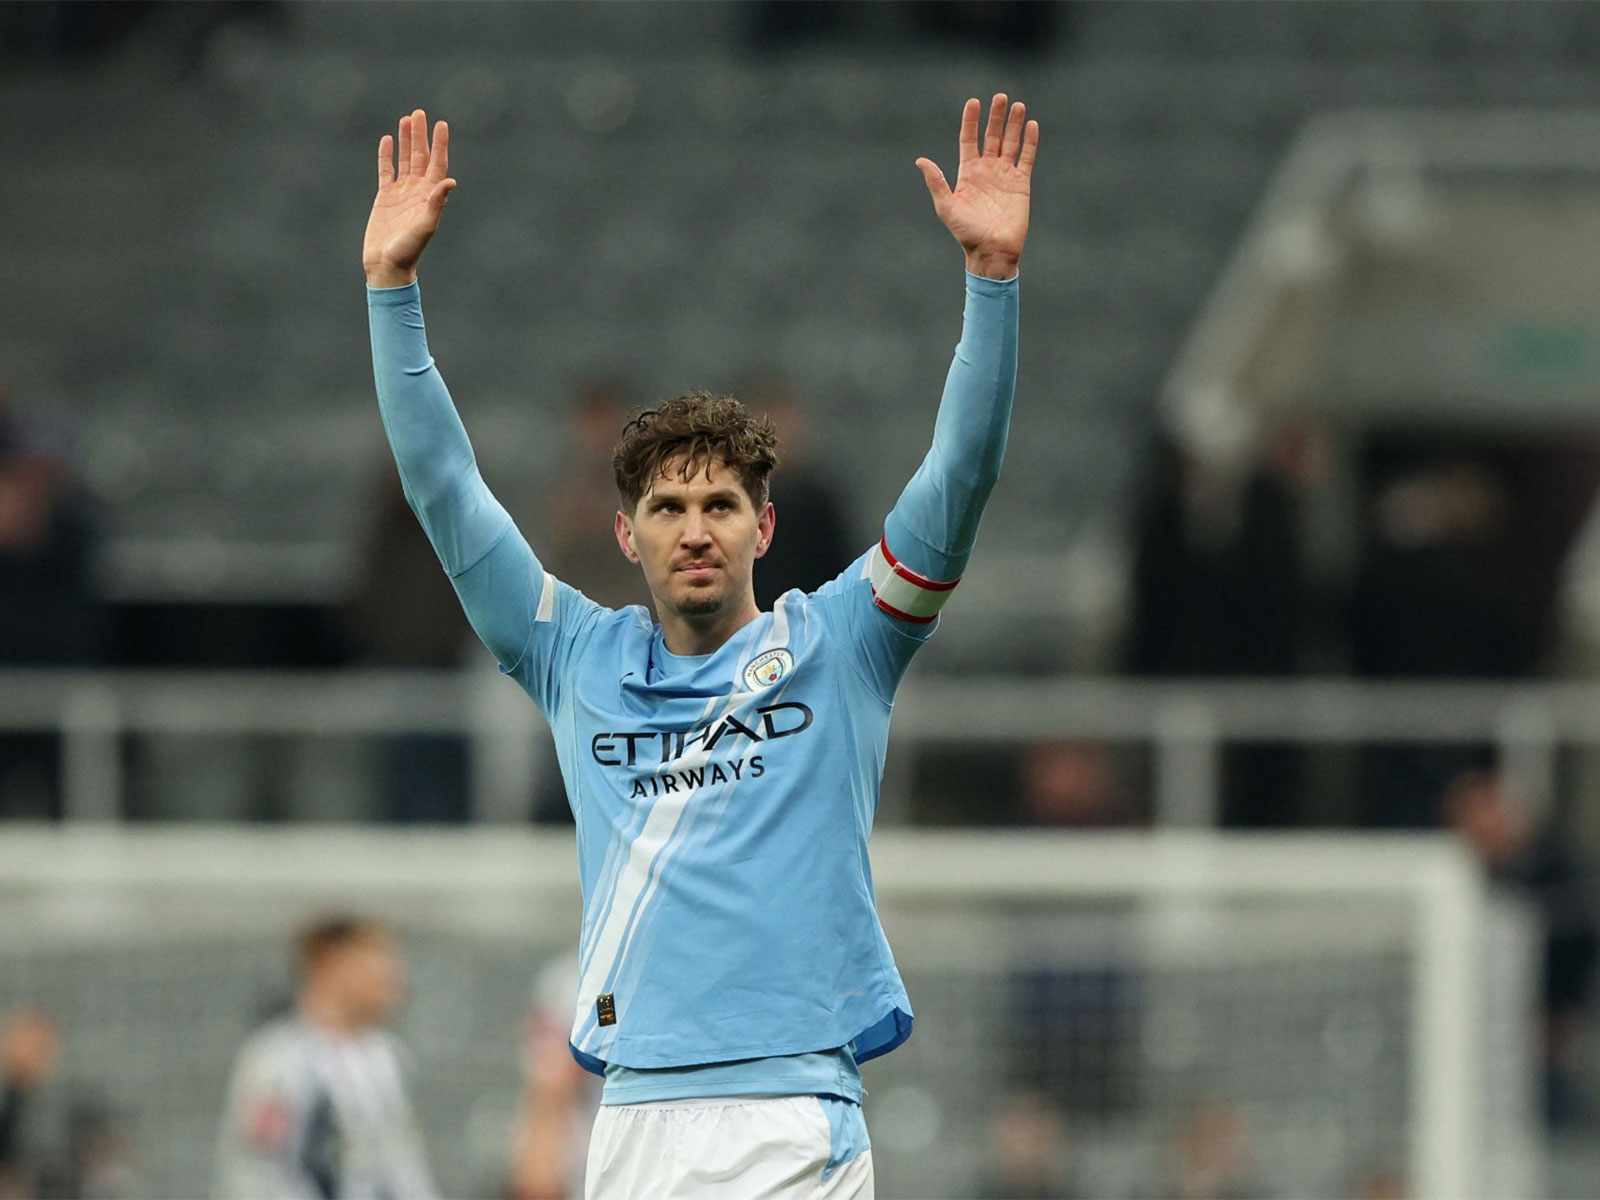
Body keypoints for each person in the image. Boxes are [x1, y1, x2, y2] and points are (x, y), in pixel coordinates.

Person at [363, 95, 1036, 1197]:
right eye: (668, 509)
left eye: (721, 503)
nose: (696, 529)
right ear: (623, 534)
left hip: (793, 1120)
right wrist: (391, 292)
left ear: (763, 525)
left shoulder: (845, 641)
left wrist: (992, 282)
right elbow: (445, 492)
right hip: (632, 1120)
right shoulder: (572, 657)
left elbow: (961, 475)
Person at [213, 917, 435, 1199]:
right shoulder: (278, 1059)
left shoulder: (387, 1058)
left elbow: (403, 1167)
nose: (394, 976)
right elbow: (255, 1170)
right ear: (330, 963)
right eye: (377, 958)